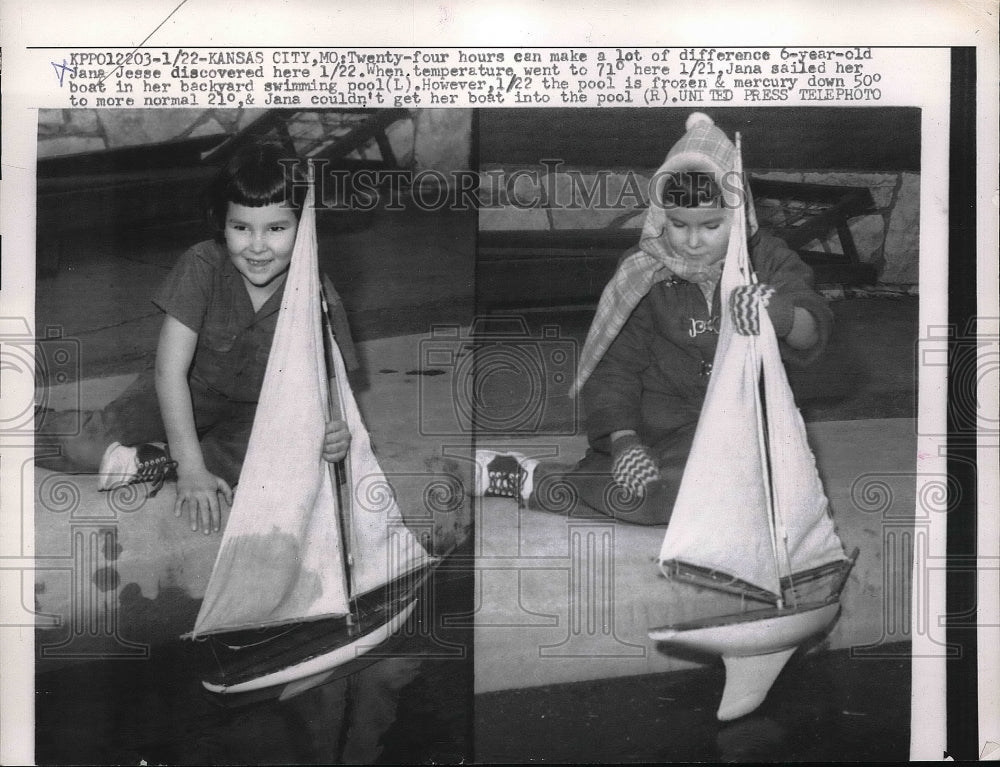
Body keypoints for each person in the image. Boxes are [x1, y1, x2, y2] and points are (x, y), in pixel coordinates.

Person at [474, 113, 833, 525]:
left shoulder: (766, 261)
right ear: (661, 215)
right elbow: (614, 368)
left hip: (739, 430)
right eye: (678, 224)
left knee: (767, 503)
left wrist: (781, 315)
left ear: (739, 214)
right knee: (657, 496)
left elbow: (813, 329)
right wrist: (625, 440)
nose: (693, 241)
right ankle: (531, 479)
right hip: (653, 431)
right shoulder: (643, 270)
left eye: (712, 225)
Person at [36, 141, 358, 535]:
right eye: (241, 227)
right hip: (184, 390)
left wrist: (336, 431)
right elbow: (169, 373)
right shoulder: (203, 265)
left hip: (254, 414)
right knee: (82, 446)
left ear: (305, 229)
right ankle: (32, 421)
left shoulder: (317, 292)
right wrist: (189, 469)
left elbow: (331, 387)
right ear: (222, 224)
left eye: (276, 228)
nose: (257, 246)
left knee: (294, 454)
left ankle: (152, 460)